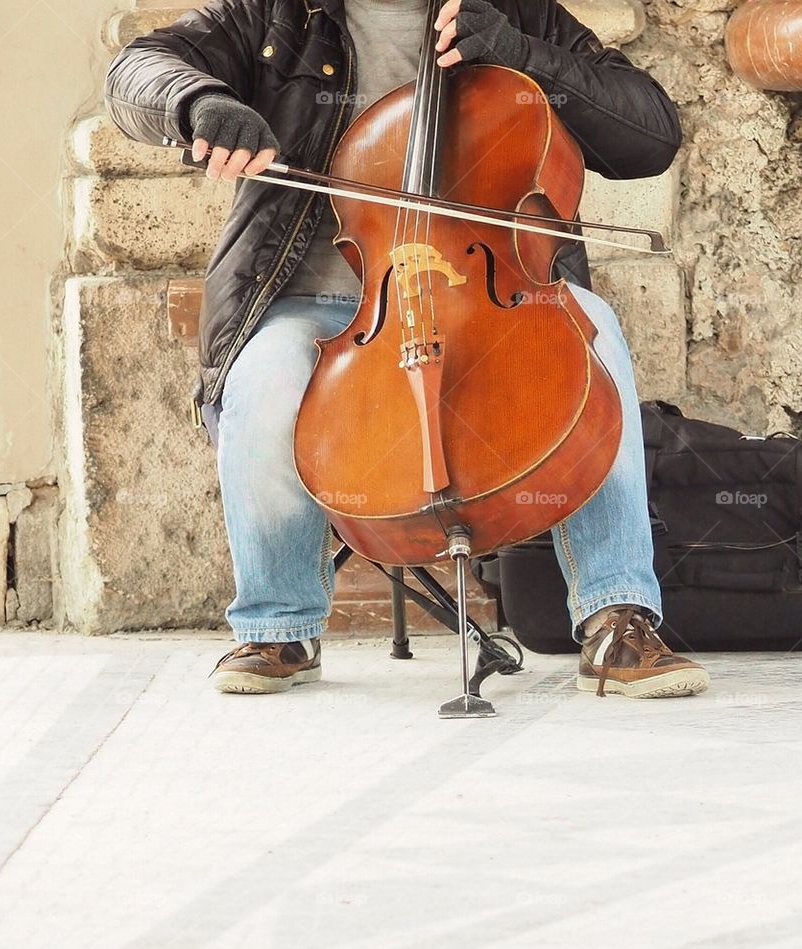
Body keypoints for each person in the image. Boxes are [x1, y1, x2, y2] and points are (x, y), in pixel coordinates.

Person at [104, 0, 711, 699]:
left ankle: (619, 615)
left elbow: (651, 134)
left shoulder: (516, 12)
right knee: (267, 377)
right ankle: (278, 626)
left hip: (493, 297)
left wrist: (521, 51)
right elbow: (136, 70)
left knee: (593, 330)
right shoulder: (274, 14)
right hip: (325, 308)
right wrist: (199, 102)